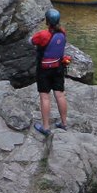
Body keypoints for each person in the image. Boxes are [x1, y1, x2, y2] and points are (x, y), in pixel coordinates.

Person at [30, 8, 71, 136]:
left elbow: (31, 41)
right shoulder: (62, 33)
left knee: (45, 96)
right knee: (60, 94)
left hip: (44, 70)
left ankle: (46, 127)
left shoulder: (43, 35)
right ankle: (64, 123)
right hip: (58, 67)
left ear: (47, 21)